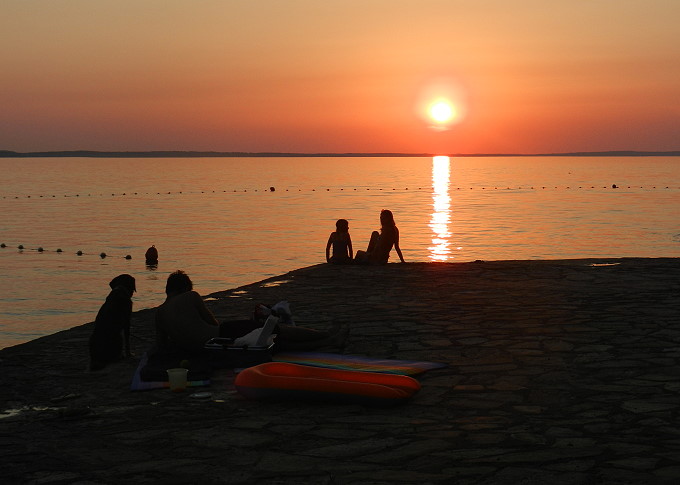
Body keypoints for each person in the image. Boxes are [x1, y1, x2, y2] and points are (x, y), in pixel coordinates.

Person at [155, 270, 348, 355]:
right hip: (220, 337)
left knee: (275, 344)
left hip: (203, 351)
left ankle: (329, 341)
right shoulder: (190, 296)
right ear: (184, 288)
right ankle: (327, 335)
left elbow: (163, 346)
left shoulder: (159, 314)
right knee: (275, 331)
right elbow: (213, 323)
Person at [89, 274, 136, 371]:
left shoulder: (111, 298)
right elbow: (126, 327)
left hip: (94, 346)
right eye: (133, 289)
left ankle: (99, 360)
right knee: (114, 335)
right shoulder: (125, 300)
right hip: (111, 346)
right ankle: (116, 356)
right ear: (130, 287)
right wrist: (128, 351)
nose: (133, 293)